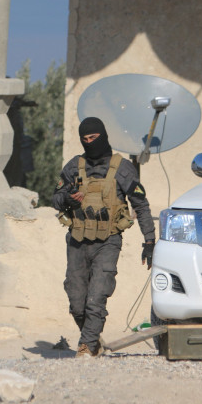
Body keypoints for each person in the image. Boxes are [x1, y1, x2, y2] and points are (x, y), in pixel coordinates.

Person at [52, 117, 156, 358]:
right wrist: (66, 198)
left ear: (103, 136)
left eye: (94, 138)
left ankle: (86, 346)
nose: (90, 143)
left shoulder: (122, 168)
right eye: (85, 140)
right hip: (77, 240)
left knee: (96, 297)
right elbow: (55, 197)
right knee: (77, 301)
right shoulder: (73, 166)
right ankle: (92, 339)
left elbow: (141, 205)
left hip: (108, 242)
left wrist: (149, 242)